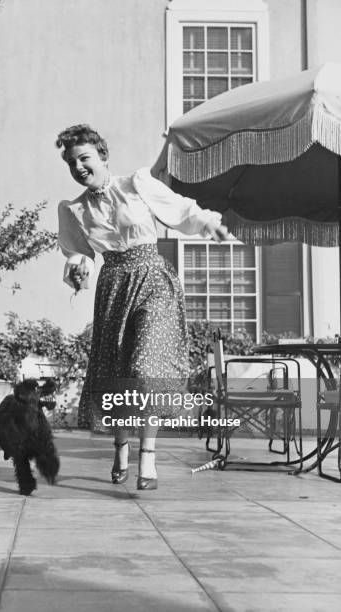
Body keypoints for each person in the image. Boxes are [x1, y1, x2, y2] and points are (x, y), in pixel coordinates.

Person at [56, 124, 229, 490]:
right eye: (72, 163)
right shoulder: (73, 209)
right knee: (119, 370)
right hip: (114, 285)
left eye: (84, 158)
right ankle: (121, 448)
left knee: (145, 366)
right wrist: (77, 270)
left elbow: (181, 210)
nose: (79, 167)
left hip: (153, 279)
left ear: (102, 155)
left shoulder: (136, 184)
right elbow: (78, 255)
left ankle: (147, 455)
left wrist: (208, 223)